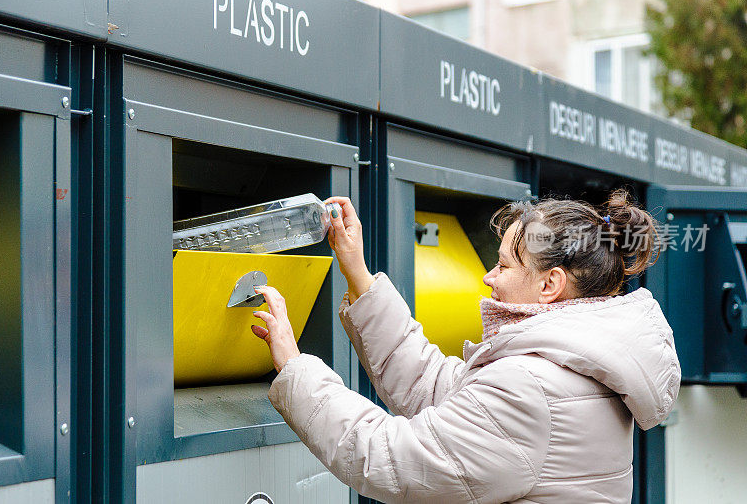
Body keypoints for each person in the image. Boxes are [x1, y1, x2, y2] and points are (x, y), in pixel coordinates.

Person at [250, 190, 680, 503]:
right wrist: (359, 274)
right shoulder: (573, 366)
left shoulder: (532, 387)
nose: (489, 277)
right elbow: (435, 386)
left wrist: (294, 366)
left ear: (550, 284)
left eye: (504, 265)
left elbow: (390, 457)